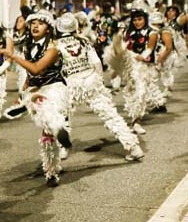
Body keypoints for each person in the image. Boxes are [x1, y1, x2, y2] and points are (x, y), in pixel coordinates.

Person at [44, 13, 144, 162]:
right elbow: (97, 63)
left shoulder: (55, 45)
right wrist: (99, 84)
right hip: (91, 82)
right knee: (110, 116)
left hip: (70, 85)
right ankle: (133, 147)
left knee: (61, 115)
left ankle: (63, 148)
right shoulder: (84, 42)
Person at [0, 10, 71, 187]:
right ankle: (51, 170)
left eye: (41, 23)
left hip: (54, 88)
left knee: (46, 119)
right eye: (33, 23)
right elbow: (31, 76)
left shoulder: (53, 48)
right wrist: (22, 95)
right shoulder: (28, 47)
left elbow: (37, 68)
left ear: (48, 28)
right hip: (37, 89)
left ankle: (59, 130)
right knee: (46, 134)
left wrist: (13, 55)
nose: (35, 26)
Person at [106, 2, 160, 135]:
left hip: (144, 67)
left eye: (140, 19)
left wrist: (140, 56)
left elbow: (149, 49)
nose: (137, 22)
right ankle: (135, 118)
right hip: (130, 65)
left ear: (145, 19)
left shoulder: (152, 32)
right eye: (135, 20)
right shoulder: (127, 32)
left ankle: (137, 121)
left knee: (141, 92)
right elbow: (122, 48)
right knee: (131, 92)